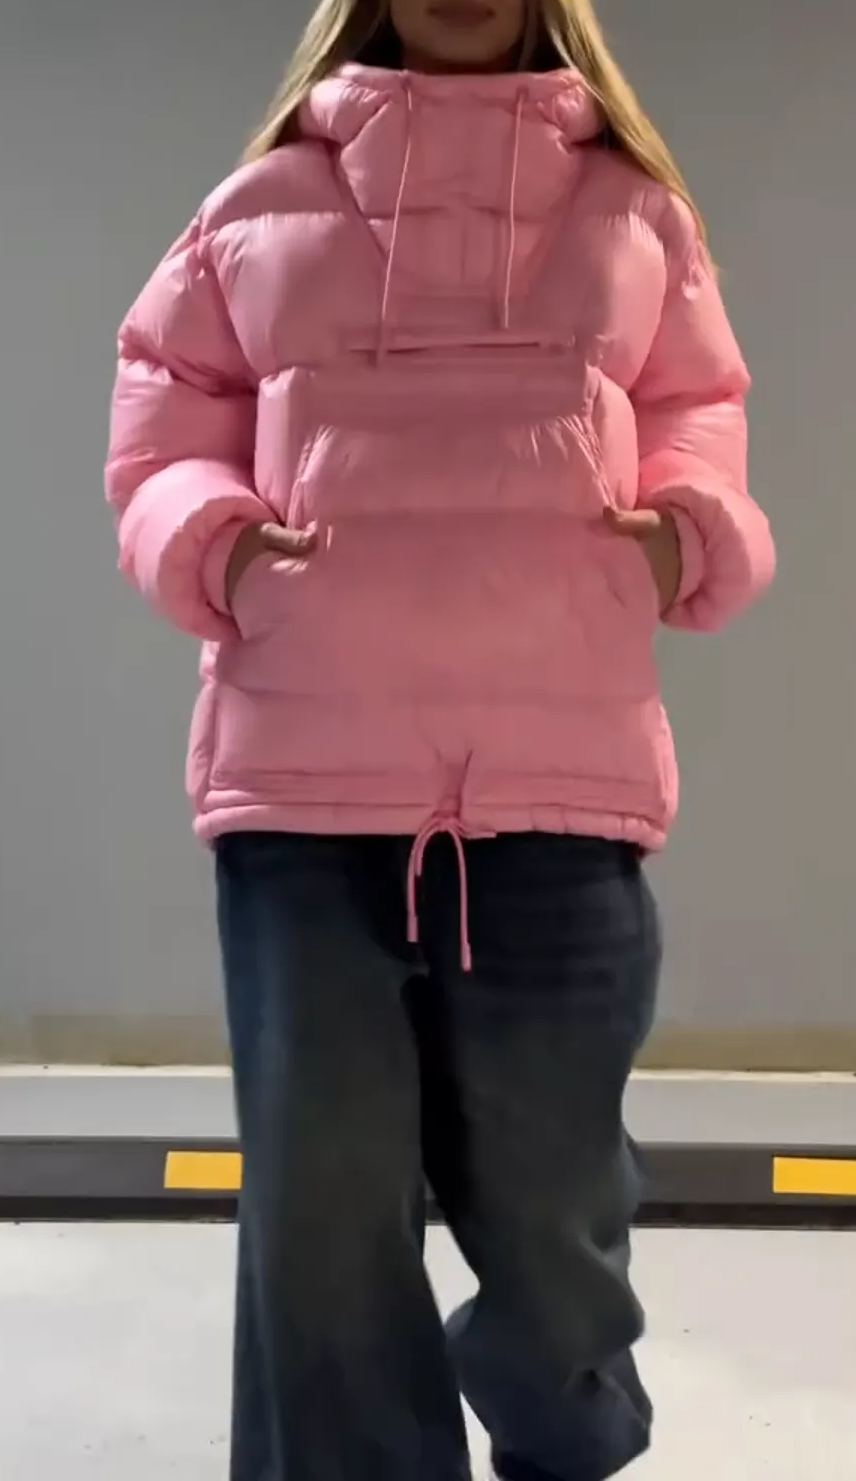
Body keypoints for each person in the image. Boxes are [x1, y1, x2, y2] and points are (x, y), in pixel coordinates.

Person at [106, 0, 775, 1475]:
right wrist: (217, 545)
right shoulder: (258, 205)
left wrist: (685, 531)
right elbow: (163, 425)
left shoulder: (636, 214)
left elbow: (698, 414)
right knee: (324, 1236)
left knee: (557, 1240)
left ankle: (566, 1448)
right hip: (303, 802)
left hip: (559, 798)